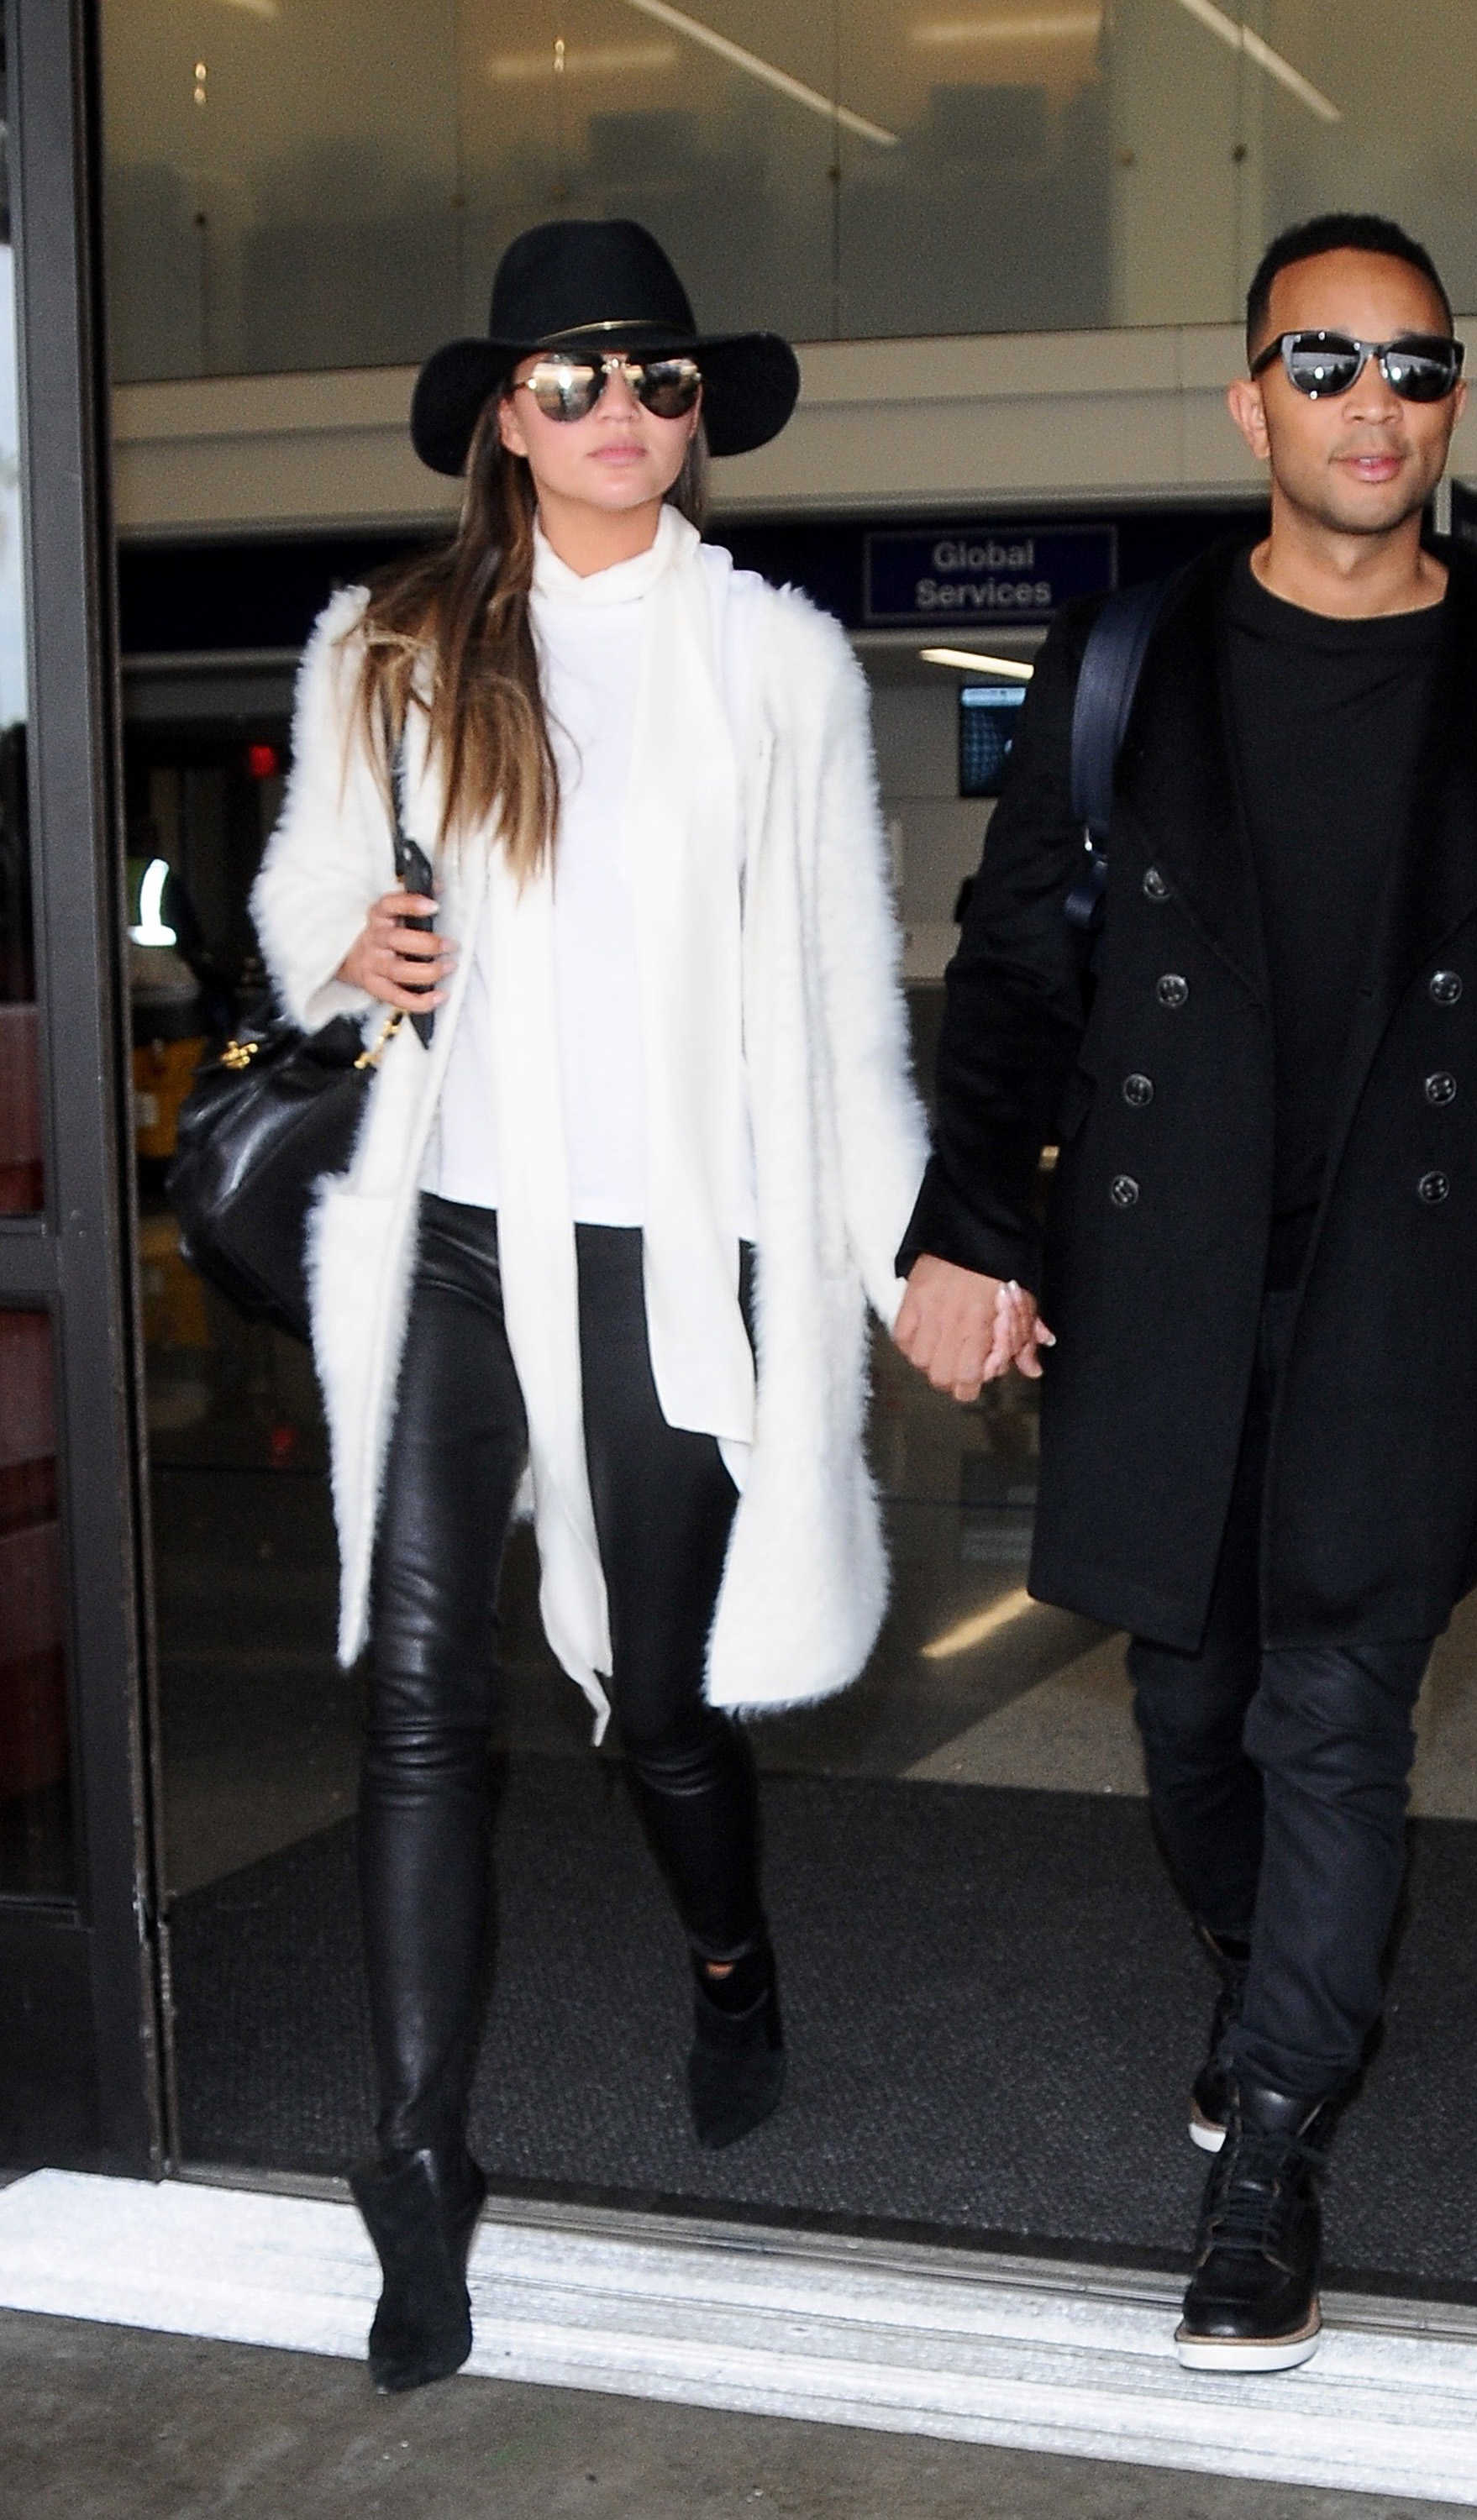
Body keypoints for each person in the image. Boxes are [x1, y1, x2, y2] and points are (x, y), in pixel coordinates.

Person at [893, 212, 1477, 2372]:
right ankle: (1266, 1979)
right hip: (1166, 1266)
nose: (1371, 404)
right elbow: (1022, 966)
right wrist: (973, 1224)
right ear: (1249, 402)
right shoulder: (1126, 661)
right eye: (1323, 364)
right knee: (1190, 1713)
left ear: (1455, 404)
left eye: (1413, 366)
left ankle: (1272, 2171)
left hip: (1410, 1284)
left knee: (1340, 1712)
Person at [251, 219, 926, 2394]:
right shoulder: (396, 647)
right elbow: (299, 912)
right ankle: (420, 2171)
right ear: (501, 420)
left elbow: (840, 1012)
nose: (618, 412)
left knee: (655, 1704)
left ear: (698, 412)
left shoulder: (781, 667)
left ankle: (730, 1960)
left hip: (680, 1256)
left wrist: (913, 1255)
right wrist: (344, 950)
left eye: (655, 379)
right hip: (454, 1236)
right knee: (421, 1707)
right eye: (570, 380)